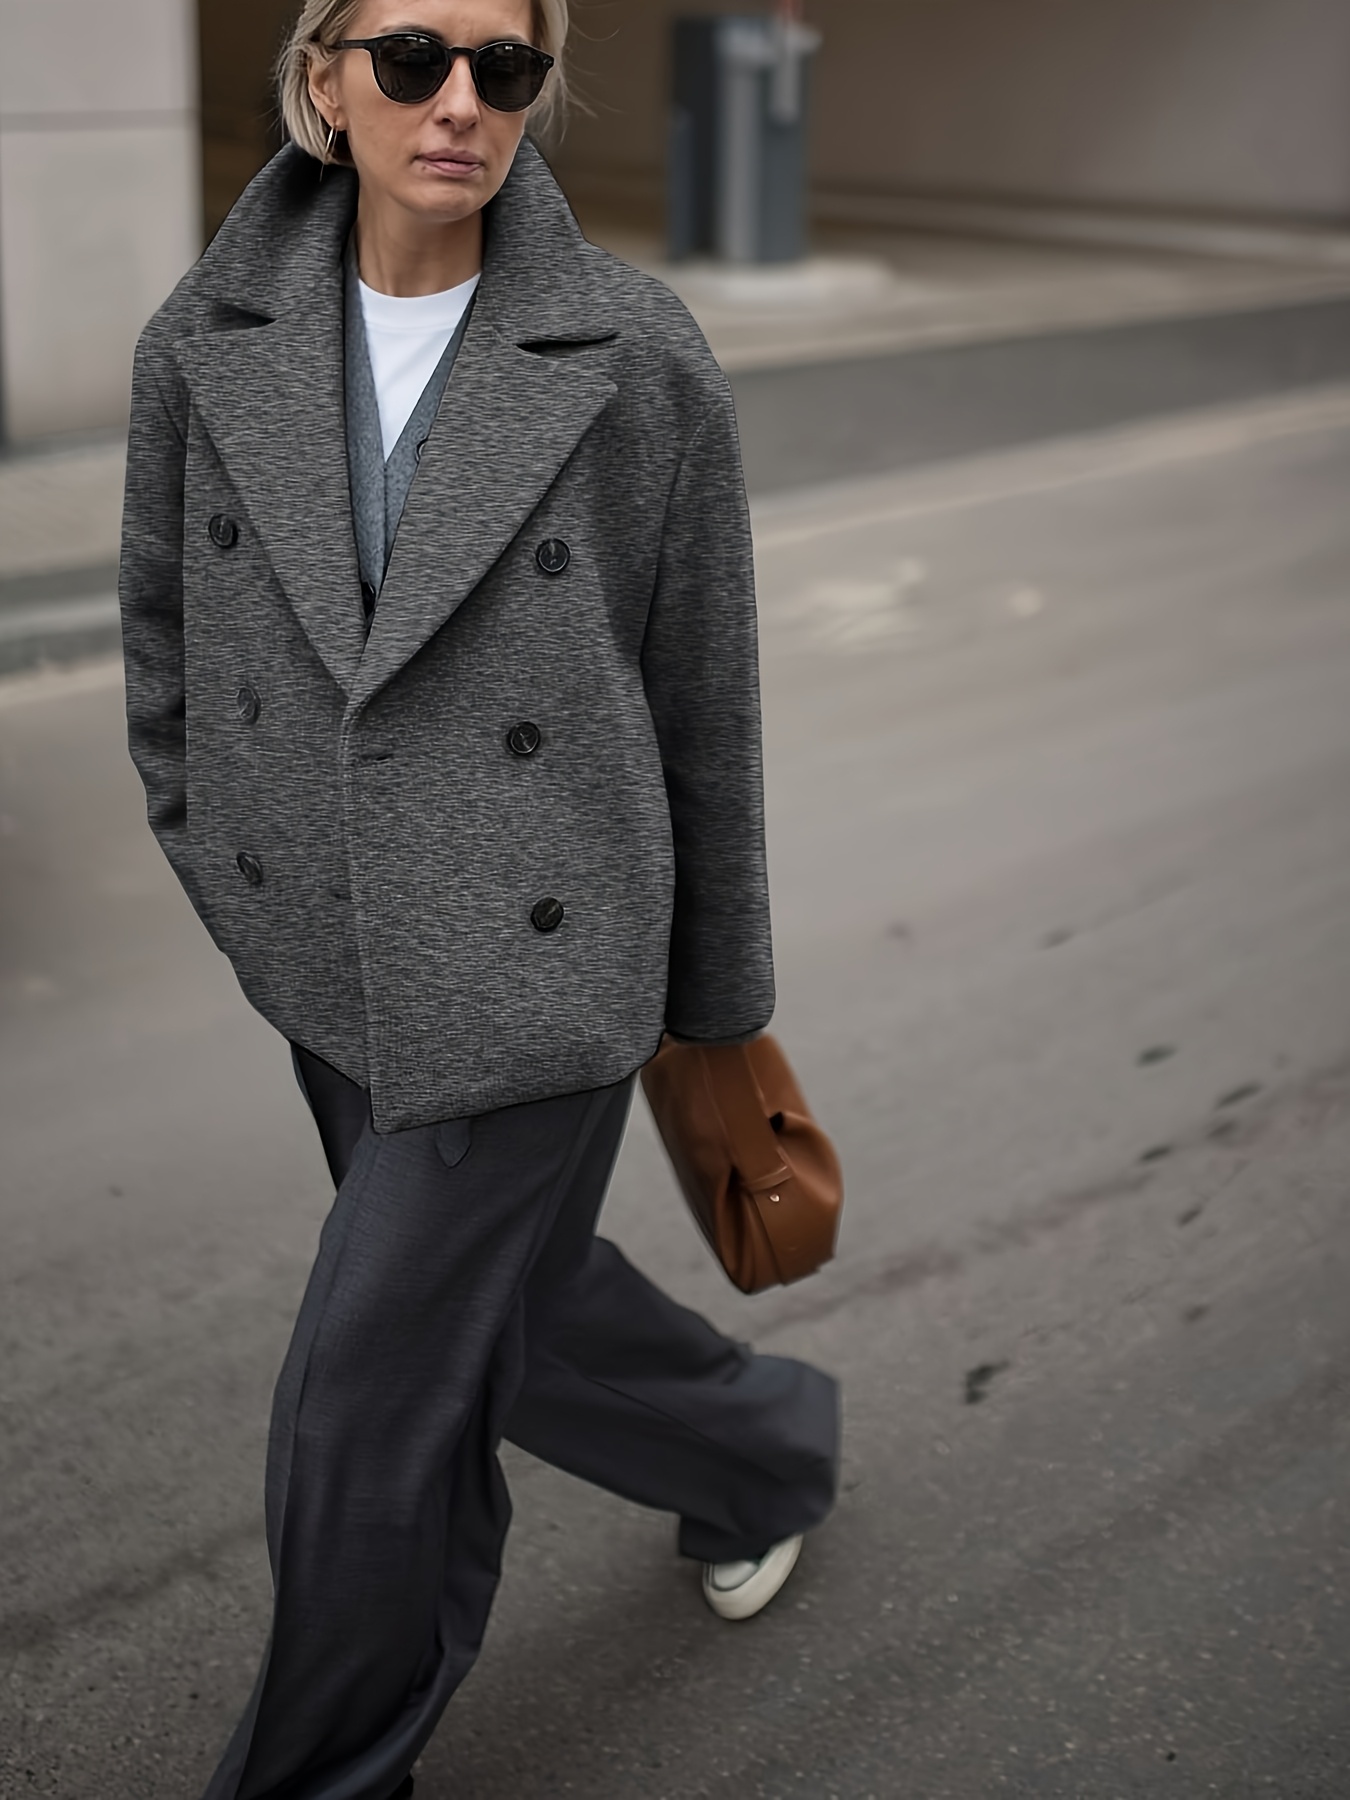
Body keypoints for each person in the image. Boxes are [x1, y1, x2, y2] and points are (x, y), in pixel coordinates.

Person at [118, 2, 839, 1794]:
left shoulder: (632, 354)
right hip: (324, 954)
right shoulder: (205, 340)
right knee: (514, 1315)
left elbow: (705, 704)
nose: (458, 102)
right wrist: (229, 866)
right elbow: (165, 644)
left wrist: (713, 1002)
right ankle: (759, 1450)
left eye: (503, 67)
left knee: (367, 1408)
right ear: (321, 81)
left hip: (541, 968)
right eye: (411, 58)